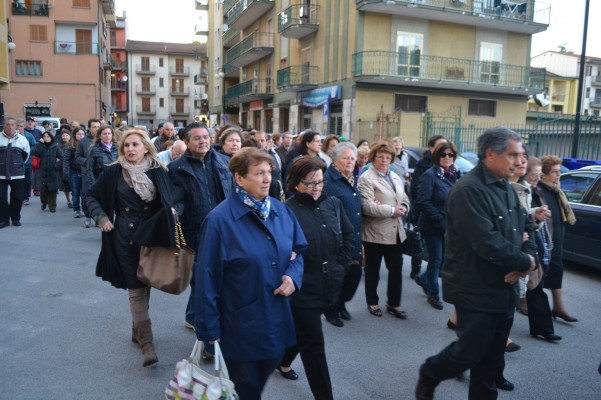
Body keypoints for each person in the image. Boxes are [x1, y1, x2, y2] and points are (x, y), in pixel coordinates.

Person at [416, 126, 538, 400]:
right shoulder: (468, 189)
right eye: (513, 155)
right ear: (490, 154)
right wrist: (524, 260)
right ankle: (431, 372)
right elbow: (485, 241)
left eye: (522, 155)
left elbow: (525, 228)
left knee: (491, 363)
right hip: (475, 287)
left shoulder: (507, 186)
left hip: (504, 286)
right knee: (470, 352)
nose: (521, 161)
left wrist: (526, 260)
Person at [193, 147, 307, 399]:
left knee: (260, 377)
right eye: (259, 173)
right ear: (239, 178)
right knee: (246, 389)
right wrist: (209, 331)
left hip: (276, 322)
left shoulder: (280, 210)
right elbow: (206, 278)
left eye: (268, 172)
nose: (267, 178)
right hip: (239, 328)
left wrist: (293, 277)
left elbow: (298, 251)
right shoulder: (219, 221)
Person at [85, 129, 182, 367]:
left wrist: (173, 210)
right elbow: (90, 196)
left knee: (146, 282)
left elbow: (174, 198)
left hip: (152, 238)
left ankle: (137, 329)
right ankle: (147, 344)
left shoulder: (158, 171)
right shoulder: (113, 172)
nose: (130, 149)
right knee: (136, 289)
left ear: (146, 148)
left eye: (135, 145)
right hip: (124, 239)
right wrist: (101, 217)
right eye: (126, 145)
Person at [278, 156, 354, 398]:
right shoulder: (286, 210)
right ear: (296, 182)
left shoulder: (333, 203)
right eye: (310, 183)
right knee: (314, 345)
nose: (316, 188)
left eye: (320, 182)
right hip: (303, 288)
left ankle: (283, 359)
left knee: (304, 335)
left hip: (331, 282)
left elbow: (349, 235)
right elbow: (284, 253)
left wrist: (341, 265)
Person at [168, 122, 234, 332]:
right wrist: (174, 212)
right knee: (201, 280)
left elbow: (232, 193)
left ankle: (192, 315)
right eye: (197, 138)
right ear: (186, 142)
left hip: (223, 231)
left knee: (219, 277)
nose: (203, 141)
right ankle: (205, 326)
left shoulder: (224, 163)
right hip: (193, 232)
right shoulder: (176, 169)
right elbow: (176, 200)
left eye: (206, 136)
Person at [358, 140, 410, 319]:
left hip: (396, 232)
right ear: (373, 158)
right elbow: (367, 206)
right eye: (381, 157)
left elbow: (404, 198)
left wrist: (403, 207)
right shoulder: (366, 177)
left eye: (388, 157)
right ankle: (372, 302)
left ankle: (394, 303)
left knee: (396, 269)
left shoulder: (395, 176)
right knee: (373, 269)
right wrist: (391, 210)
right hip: (375, 232)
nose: (385, 160)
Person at [512, 156, 560, 342]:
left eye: (539, 175)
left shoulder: (531, 189)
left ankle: (543, 328)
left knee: (535, 282)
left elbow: (526, 219)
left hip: (531, 240)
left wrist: (537, 216)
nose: (537, 179)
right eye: (534, 175)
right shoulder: (514, 187)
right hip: (518, 243)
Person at [416, 141, 461, 311]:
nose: (447, 158)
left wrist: (458, 173)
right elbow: (423, 201)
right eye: (443, 155)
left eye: (450, 155)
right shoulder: (430, 175)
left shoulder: (452, 174)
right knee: (436, 259)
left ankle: (424, 278)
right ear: (437, 156)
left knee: (442, 259)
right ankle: (433, 294)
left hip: (448, 225)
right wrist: (439, 219)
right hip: (433, 224)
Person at [533, 155, 578, 323]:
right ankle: (525, 303)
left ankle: (558, 307)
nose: (559, 175)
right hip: (544, 240)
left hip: (555, 240)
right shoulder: (539, 191)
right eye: (555, 172)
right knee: (536, 273)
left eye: (559, 171)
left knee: (557, 269)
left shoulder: (556, 190)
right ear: (543, 174)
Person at [323, 142, 363, 326]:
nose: (350, 161)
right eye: (346, 158)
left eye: (353, 158)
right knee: (338, 275)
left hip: (354, 235)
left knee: (354, 273)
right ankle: (331, 309)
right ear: (335, 159)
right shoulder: (328, 181)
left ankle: (341, 302)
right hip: (337, 237)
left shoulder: (353, 177)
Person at [409, 135, 447, 283]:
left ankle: (425, 279)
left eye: (447, 150)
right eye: (440, 147)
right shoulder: (423, 165)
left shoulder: (449, 168)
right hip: (426, 214)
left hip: (442, 218)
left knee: (439, 256)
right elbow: (416, 190)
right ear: (431, 148)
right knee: (420, 243)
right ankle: (417, 271)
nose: (445, 153)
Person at [0, 117, 31, 228]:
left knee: (17, 198)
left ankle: (15, 218)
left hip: (17, 173)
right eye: (7, 124)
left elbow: (26, 156)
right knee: (1, 198)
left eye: (12, 124)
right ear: (4, 125)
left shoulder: (22, 140)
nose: (10, 127)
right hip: (1, 174)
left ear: (16, 126)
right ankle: (4, 219)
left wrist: (17, 165)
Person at [76, 118, 101, 228]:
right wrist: (88, 161)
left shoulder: (104, 140)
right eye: (94, 127)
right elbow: (77, 157)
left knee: (100, 196)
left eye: (98, 126)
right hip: (87, 173)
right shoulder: (83, 142)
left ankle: (99, 218)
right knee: (86, 195)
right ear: (89, 129)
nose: (97, 129)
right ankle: (87, 216)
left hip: (101, 173)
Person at [31, 131, 62, 213]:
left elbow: (61, 157)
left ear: (51, 137)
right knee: (43, 190)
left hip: (52, 171)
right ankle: (44, 202)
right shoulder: (40, 145)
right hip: (41, 171)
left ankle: (52, 206)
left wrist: (56, 166)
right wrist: (40, 144)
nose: (46, 138)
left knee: (53, 189)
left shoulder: (55, 146)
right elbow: (35, 153)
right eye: (44, 136)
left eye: (48, 136)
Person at [63, 127, 86, 218]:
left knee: (84, 192)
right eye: (79, 134)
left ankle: (84, 208)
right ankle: (76, 209)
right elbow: (66, 160)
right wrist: (66, 172)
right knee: (75, 192)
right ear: (74, 135)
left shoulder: (86, 144)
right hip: (73, 172)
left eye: (82, 134)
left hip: (84, 172)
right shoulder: (70, 146)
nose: (81, 136)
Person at [16, 119, 36, 206]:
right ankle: (19, 197)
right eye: (17, 126)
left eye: (21, 126)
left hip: (27, 162)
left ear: (24, 126)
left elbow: (34, 146)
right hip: (16, 163)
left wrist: (26, 151)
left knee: (27, 180)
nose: (19, 128)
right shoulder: (13, 136)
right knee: (18, 181)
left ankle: (26, 197)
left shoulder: (29, 135)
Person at [57, 127, 72, 208]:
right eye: (63, 136)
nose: (65, 137)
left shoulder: (73, 145)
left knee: (74, 185)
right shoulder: (59, 145)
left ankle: (75, 199)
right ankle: (68, 201)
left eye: (66, 135)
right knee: (65, 186)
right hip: (61, 168)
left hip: (72, 168)